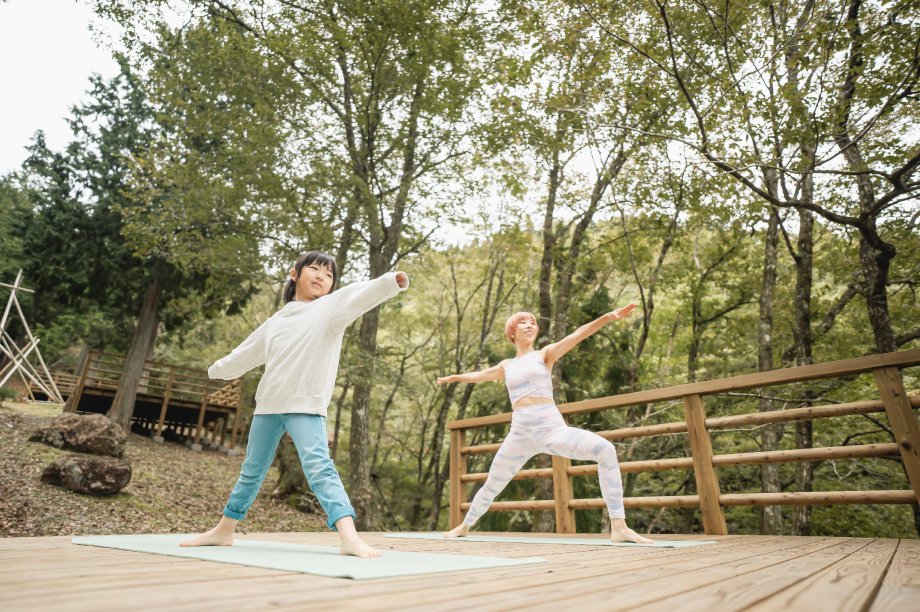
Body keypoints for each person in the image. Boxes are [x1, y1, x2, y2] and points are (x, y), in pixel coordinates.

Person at [179, 251, 409, 558]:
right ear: (294, 274)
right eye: (314, 269)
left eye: (328, 275)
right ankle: (224, 530)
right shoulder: (276, 321)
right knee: (252, 470)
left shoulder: (330, 309)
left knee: (319, 467)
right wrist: (217, 369)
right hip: (268, 403)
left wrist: (389, 282)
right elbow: (245, 353)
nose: (321, 277)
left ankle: (349, 537)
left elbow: (358, 293)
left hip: (304, 402)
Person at [438, 306, 653, 543]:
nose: (530, 325)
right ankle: (464, 527)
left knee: (606, 450)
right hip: (519, 434)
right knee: (492, 483)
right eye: (523, 322)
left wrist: (607, 317)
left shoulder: (545, 354)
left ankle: (619, 527)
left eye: (533, 322)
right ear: (512, 333)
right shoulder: (506, 365)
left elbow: (577, 335)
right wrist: (456, 377)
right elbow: (480, 375)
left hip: (551, 429)